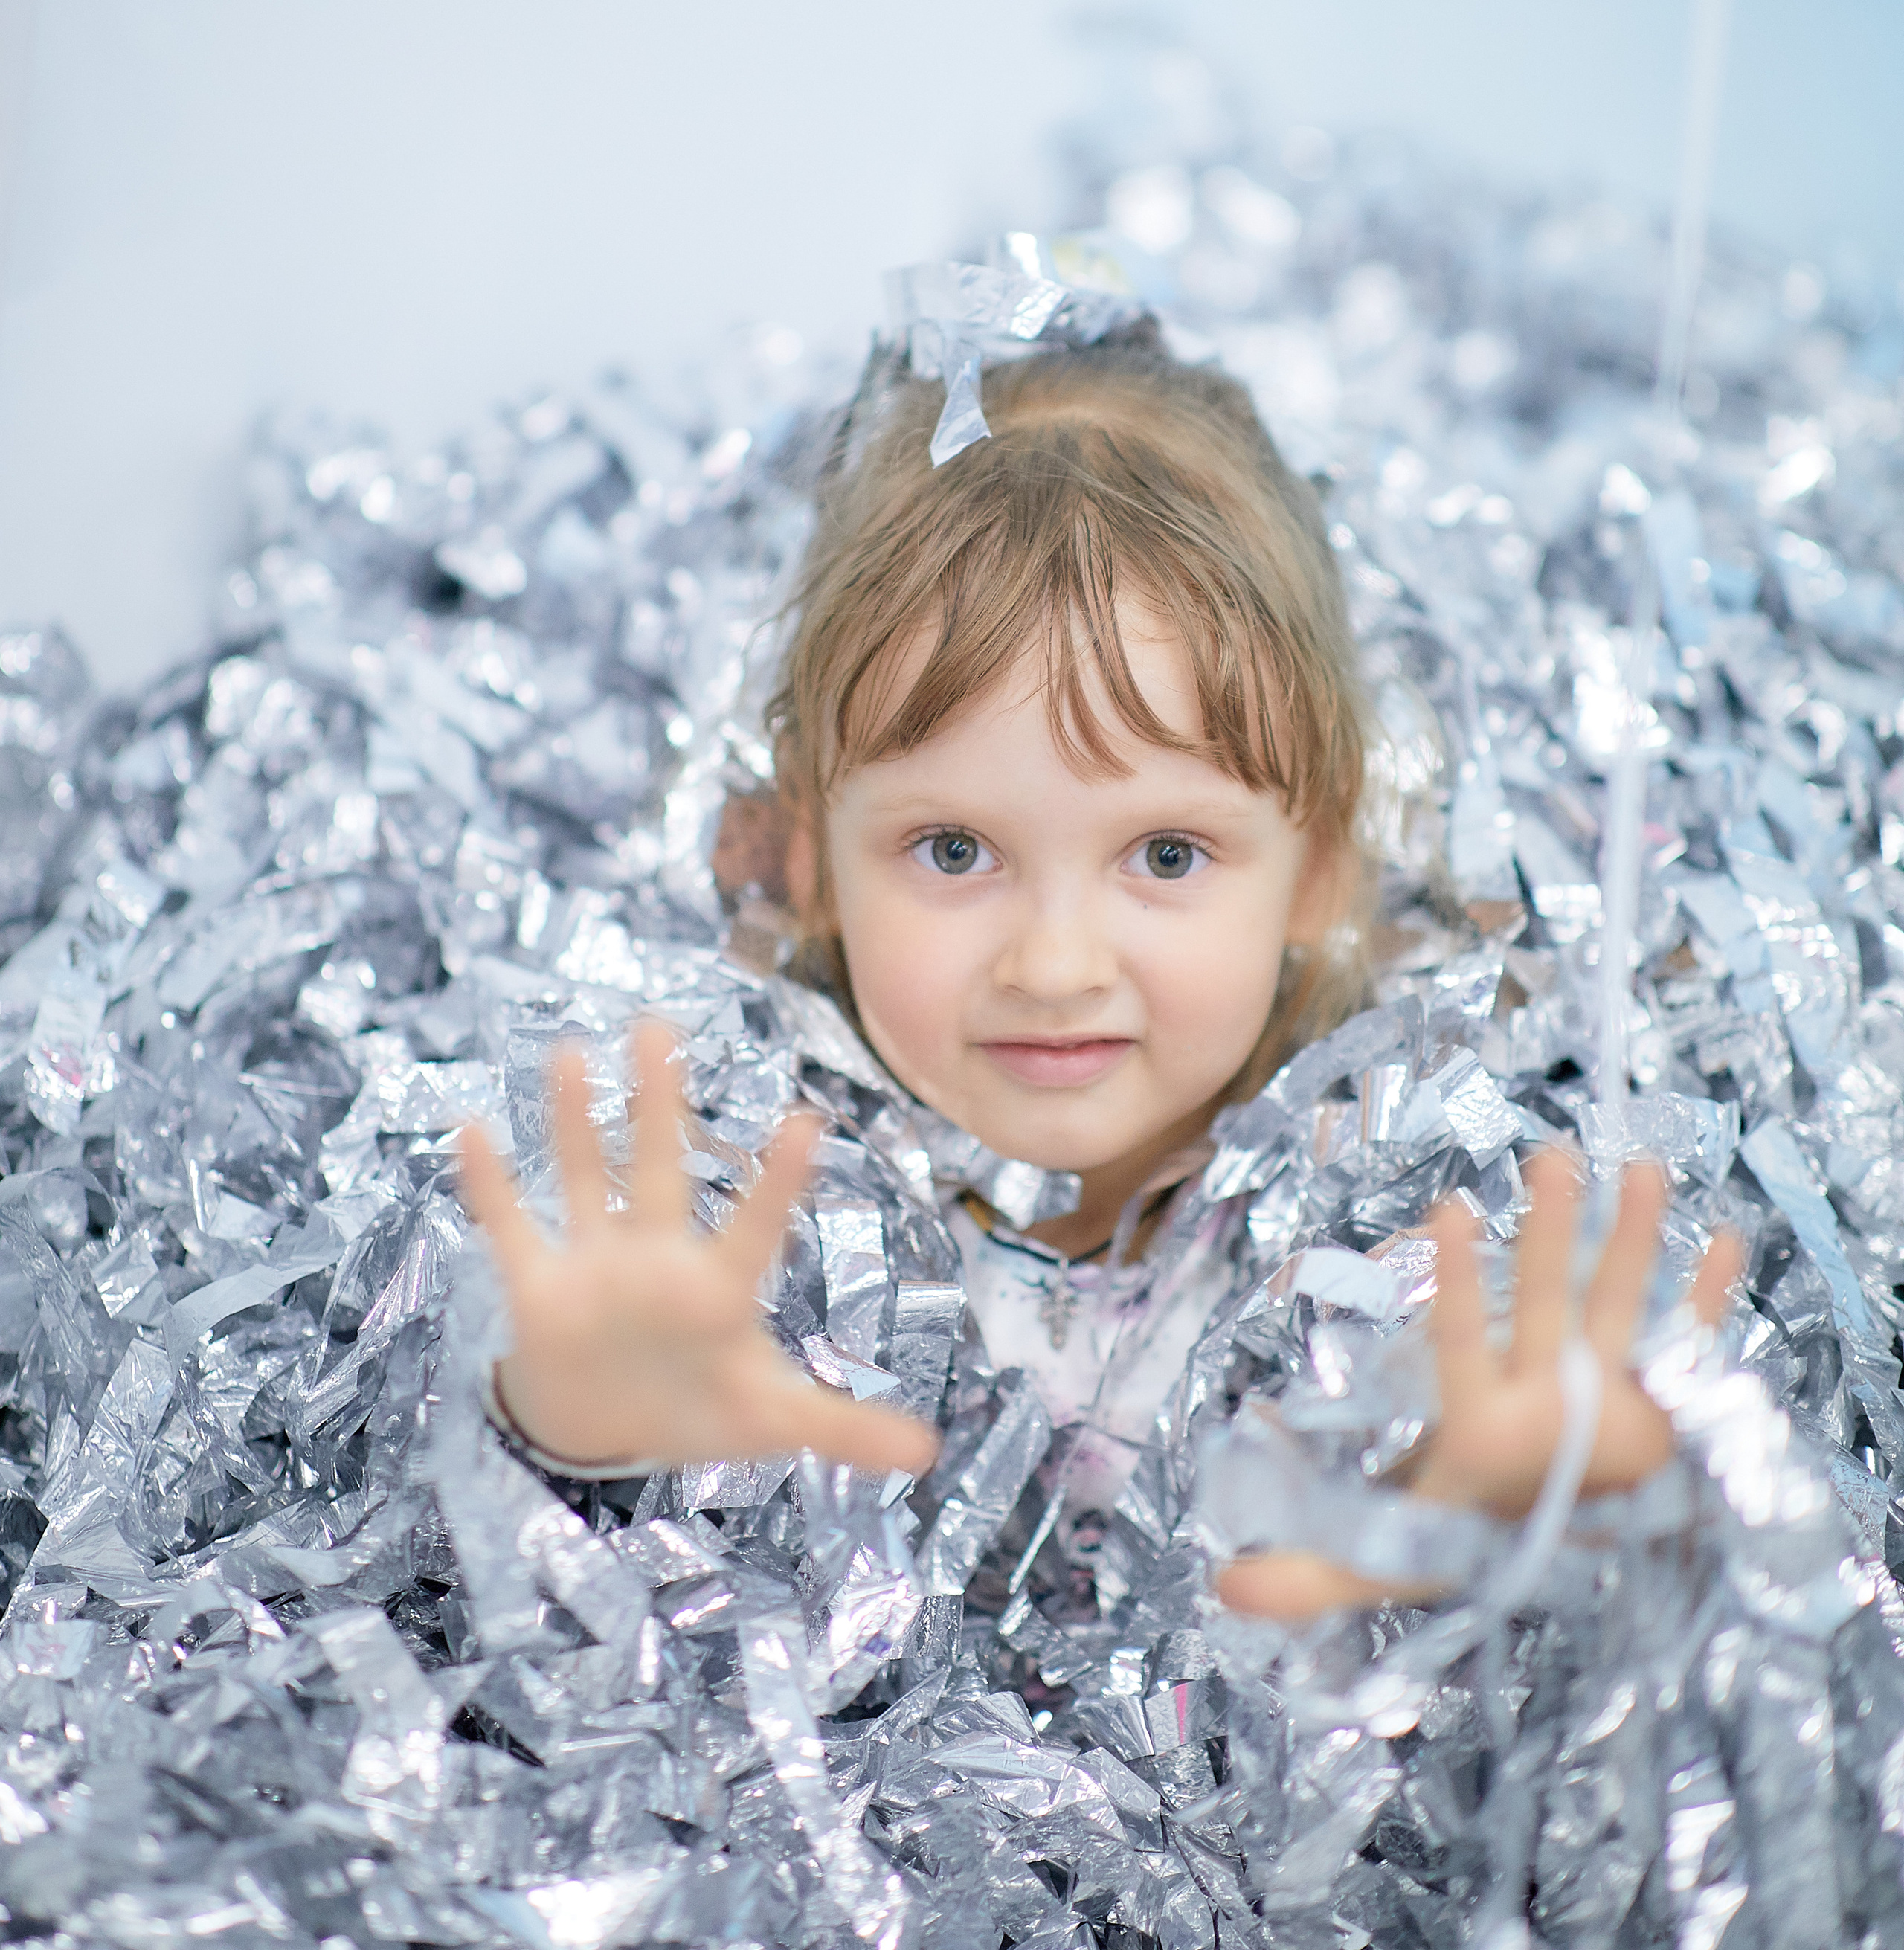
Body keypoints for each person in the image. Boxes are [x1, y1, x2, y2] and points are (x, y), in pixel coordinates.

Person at [454, 320, 1894, 1937]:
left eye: (1163, 857)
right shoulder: (762, 1175)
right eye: (949, 850)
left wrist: (1537, 1509)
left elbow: (1433, 1417)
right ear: (791, 859)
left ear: (1323, 866)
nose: (1056, 962)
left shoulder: (1381, 1188)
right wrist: (564, 1430)